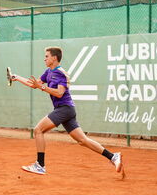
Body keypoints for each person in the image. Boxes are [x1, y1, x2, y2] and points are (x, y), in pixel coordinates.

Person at [12, 47, 124, 176]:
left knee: (38, 130)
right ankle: (113, 156)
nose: (44, 59)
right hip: (64, 110)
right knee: (83, 140)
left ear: (54, 58)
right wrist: (17, 77)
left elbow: (60, 93)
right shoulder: (48, 72)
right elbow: (34, 84)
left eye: (47, 56)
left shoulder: (60, 73)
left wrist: (42, 87)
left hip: (65, 109)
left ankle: (40, 165)